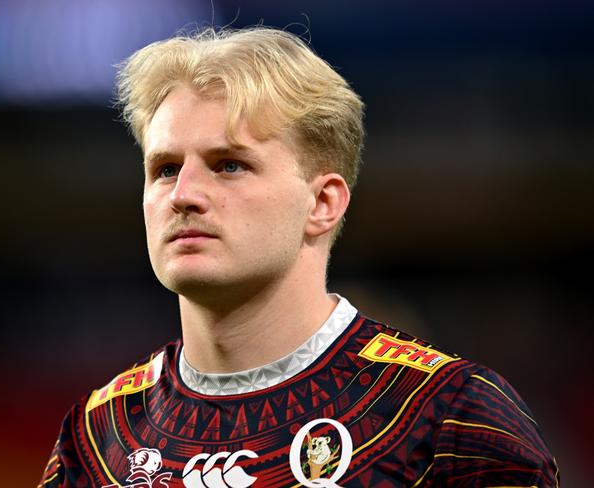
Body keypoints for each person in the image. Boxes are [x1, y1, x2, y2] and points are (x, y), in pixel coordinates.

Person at [39, 27, 559, 487]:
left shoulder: (451, 418)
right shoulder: (96, 439)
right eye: (166, 168)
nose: (184, 194)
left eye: (229, 165)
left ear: (323, 202)